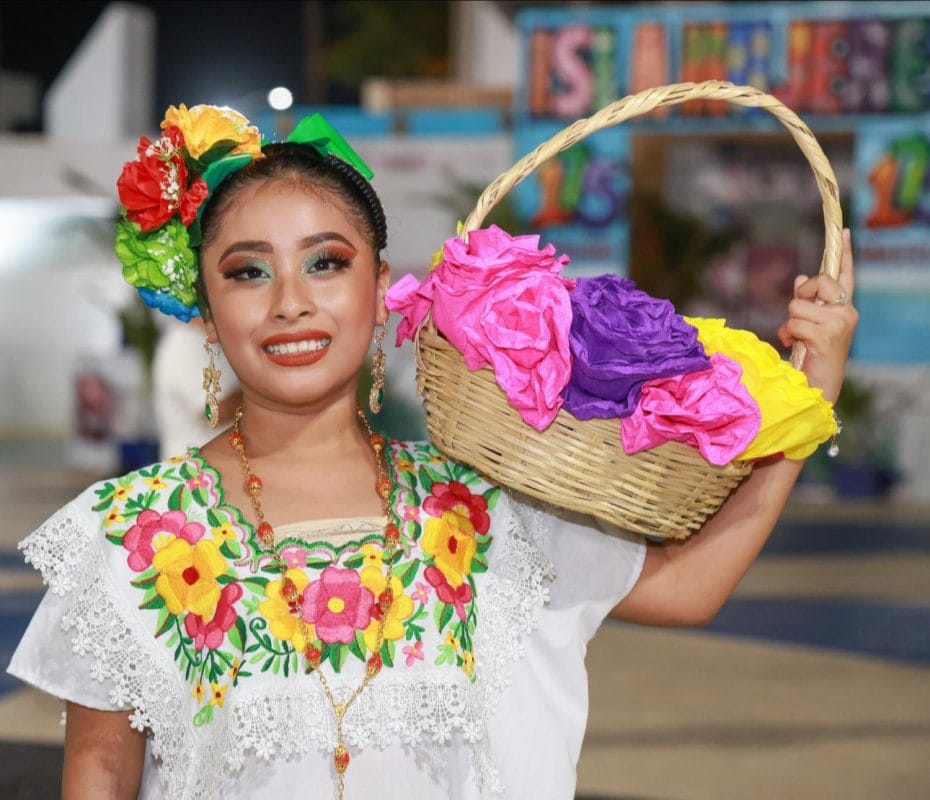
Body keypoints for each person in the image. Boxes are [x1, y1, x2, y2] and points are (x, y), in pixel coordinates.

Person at [7, 104, 858, 800]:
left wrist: (805, 402)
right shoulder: (131, 536)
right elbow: (100, 769)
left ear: (382, 290)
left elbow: (688, 586)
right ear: (207, 306)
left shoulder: (488, 510)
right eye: (248, 272)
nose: (292, 304)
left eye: (327, 263)